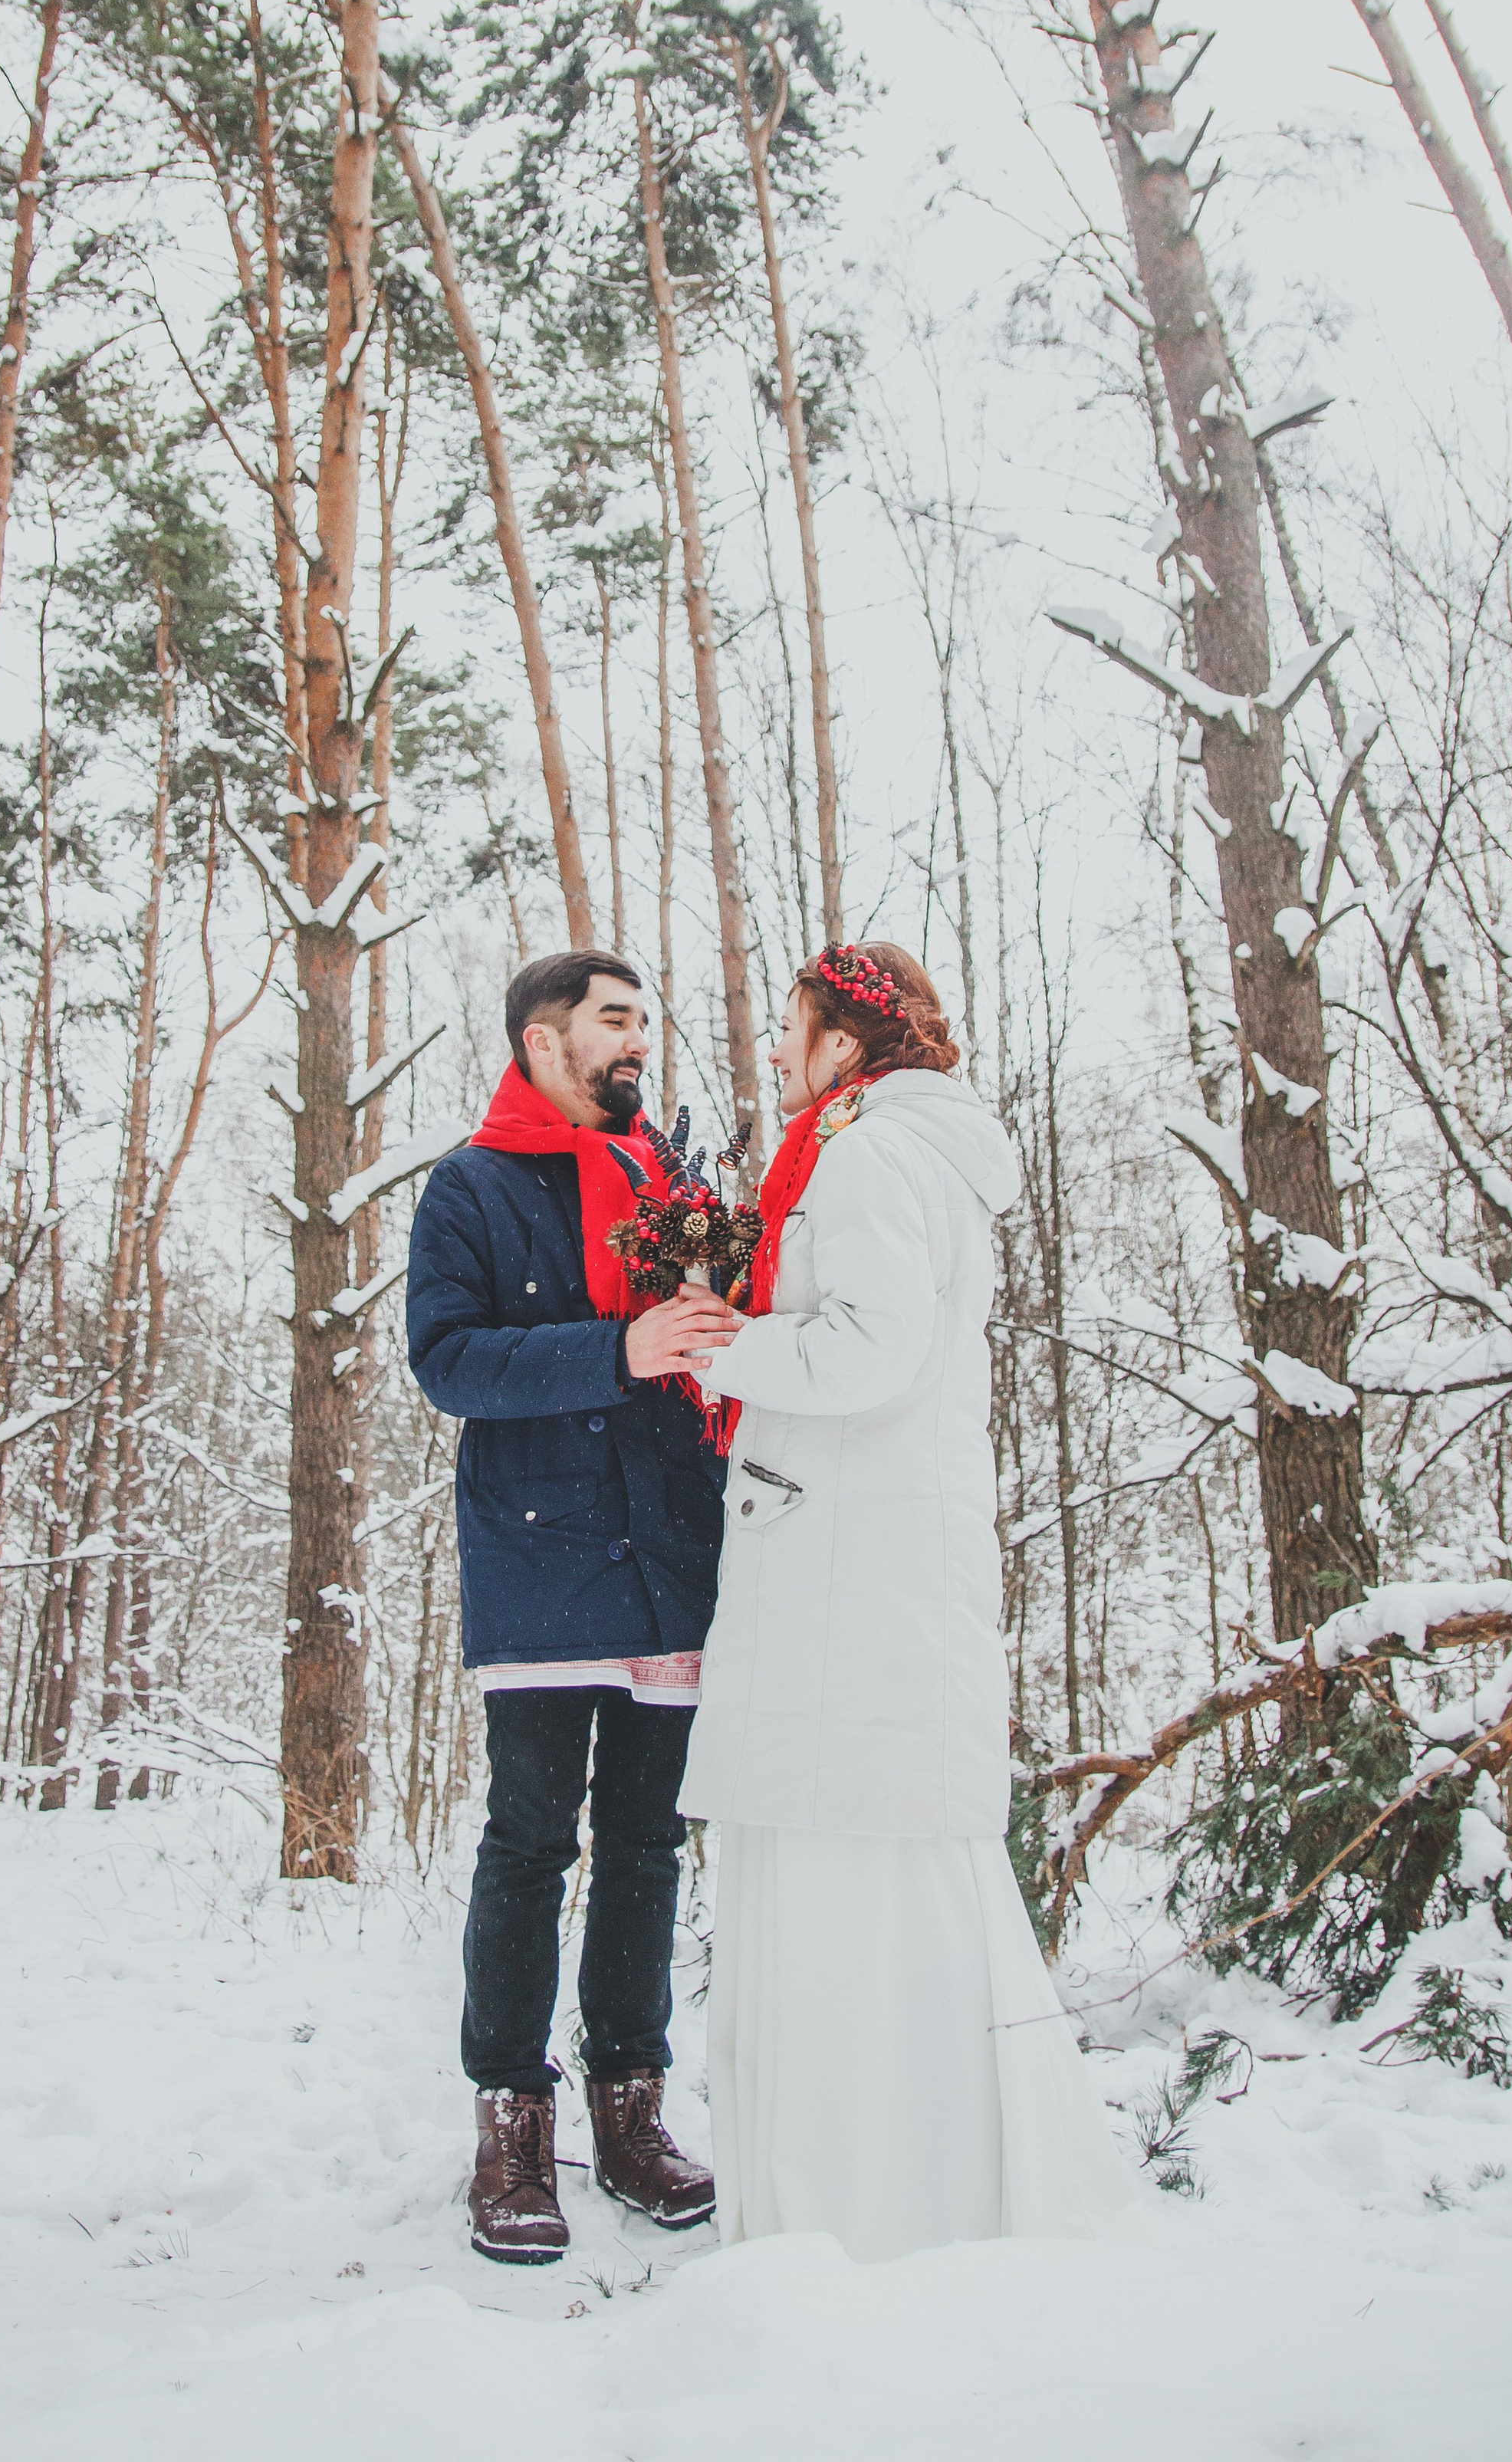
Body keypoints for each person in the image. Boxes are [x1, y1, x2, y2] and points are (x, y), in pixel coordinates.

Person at [677, 940, 1133, 2260]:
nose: (777, 1050)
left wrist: (722, 1346)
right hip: (864, 1552)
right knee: (865, 1841)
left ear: (846, 1044)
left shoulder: (869, 1154)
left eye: (795, 1027)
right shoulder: (904, 1148)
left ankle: (860, 2209)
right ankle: (911, 2190)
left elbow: (873, 1348)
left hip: (845, 1562)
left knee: (842, 1845)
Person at [406, 951, 741, 2264]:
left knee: (649, 1848)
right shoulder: (472, 1187)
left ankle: (632, 2112)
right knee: (531, 1843)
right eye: (615, 1022)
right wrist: (619, 1346)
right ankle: (510, 2126)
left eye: (644, 1023)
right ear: (543, 1039)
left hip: (670, 1548)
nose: (637, 1044)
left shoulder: (674, 1182)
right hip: (540, 1554)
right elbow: (448, 1361)